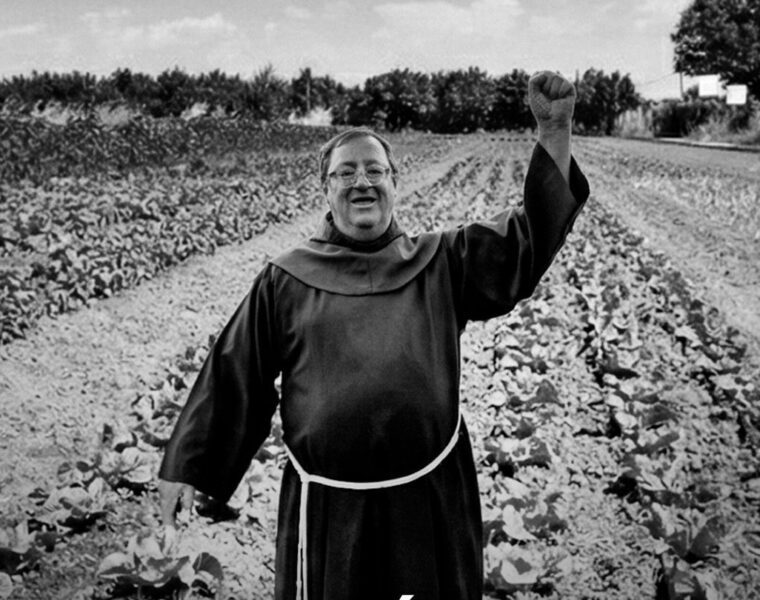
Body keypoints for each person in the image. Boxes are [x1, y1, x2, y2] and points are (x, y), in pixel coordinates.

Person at [157, 70, 589, 600]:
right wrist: (186, 465)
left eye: (374, 170)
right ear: (326, 189)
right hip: (328, 512)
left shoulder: (441, 261)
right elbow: (235, 371)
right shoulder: (285, 278)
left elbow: (528, 240)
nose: (361, 181)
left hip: (428, 501)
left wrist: (555, 131)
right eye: (345, 172)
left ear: (393, 183)